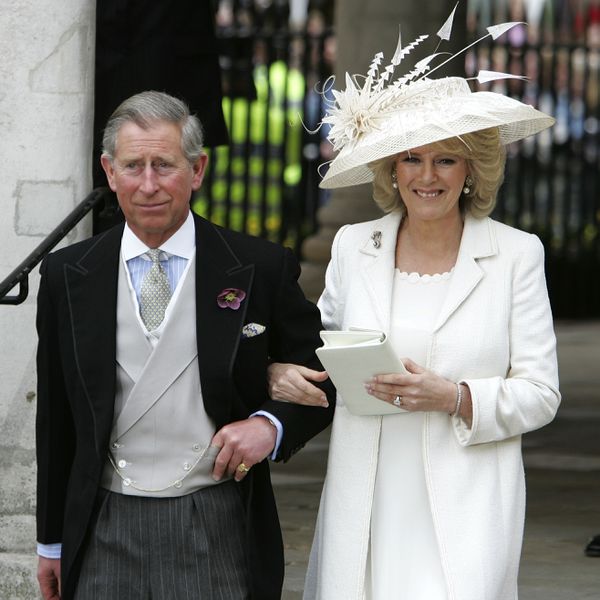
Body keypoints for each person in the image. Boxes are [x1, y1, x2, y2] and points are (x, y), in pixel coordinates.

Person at [267, 15, 561, 600]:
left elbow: (542, 393)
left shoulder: (516, 255)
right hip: (368, 497)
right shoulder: (356, 246)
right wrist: (283, 374)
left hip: (467, 501)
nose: (427, 177)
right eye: (412, 159)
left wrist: (456, 397)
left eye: (446, 160)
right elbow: (322, 355)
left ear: (473, 171)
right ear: (391, 169)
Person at [35, 90, 335, 600]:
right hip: (103, 516)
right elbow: (57, 417)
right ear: (109, 172)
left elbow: (326, 377)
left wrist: (270, 425)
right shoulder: (68, 274)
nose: (148, 184)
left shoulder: (259, 267)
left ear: (197, 170)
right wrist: (51, 542)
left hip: (214, 516)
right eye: (133, 166)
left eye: (164, 165)